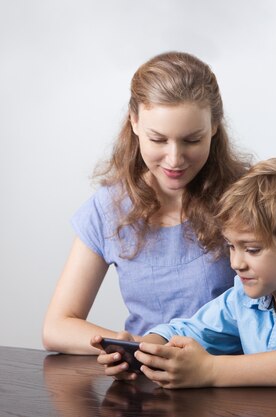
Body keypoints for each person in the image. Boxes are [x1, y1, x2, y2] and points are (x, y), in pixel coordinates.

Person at [91, 158, 276, 388]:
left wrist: (211, 371)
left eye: (252, 249)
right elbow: (189, 330)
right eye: (232, 246)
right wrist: (145, 351)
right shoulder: (244, 297)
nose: (236, 262)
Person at [43, 51, 249, 354]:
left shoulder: (247, 194)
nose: (175, 159)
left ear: (215, 126)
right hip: (147, 378)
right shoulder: (108, 208)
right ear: (134, 122)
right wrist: (130, 348)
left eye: (192, 140)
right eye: (158, 139)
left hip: (232, 383)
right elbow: (57, 327)